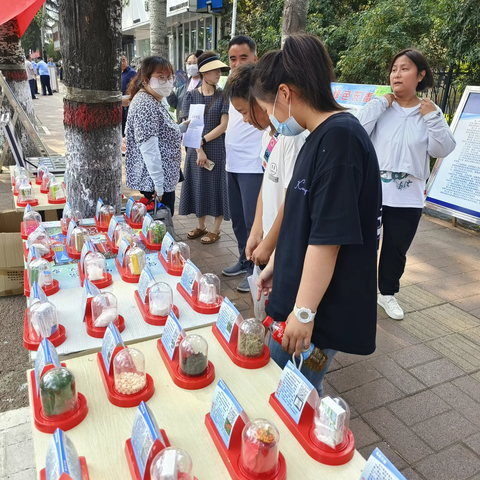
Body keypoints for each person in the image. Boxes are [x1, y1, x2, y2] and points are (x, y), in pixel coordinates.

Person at [253, 34, 382, 395]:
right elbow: (302, 215)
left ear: (284, 93)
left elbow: (329, 239)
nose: (270, 120)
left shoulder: (340, 140)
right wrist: (279, 265)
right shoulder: (317, 136)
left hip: (322, 308)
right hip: (303, 297)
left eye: (267, 109)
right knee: (287, 388)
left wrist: (304, 312)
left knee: (291, 393)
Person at [357, 49, 456, 321]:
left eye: (404, 69)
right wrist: (380, 104)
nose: (396, 74)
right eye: (394, 69)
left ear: (420, 75)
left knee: (396, 249)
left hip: (409, 197)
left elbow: (443, 148)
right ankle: (359, 291)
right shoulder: (381, 107)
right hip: (374, 193)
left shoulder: (429, 112)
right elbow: (357, 131)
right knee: (364, 245)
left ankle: (387, 294)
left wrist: (432, 116)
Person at [224, 63, 307, 266]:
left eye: (245, 112)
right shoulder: (268, 135)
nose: (244, 119)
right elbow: (266, 183)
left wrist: (269, 245)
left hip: (285, 244)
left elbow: (292, 200)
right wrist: (256, 232)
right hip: (269, 238)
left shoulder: (293, 138)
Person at [222, 35, 264, 292]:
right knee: (237, 219)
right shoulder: (232, 87)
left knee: (253, 221)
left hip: (253, 165)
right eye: (232, 59)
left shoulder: (259, 89)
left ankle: (255, 269)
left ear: (255, 59)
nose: (237, 63)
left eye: (243, 58)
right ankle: (243, 258)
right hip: (233, 164)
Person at [179, 51, 230, 244]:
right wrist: (199, 149)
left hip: (216, 147)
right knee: (198, 185)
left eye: (219, 70)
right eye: (214, 70)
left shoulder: (223, 96)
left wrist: (203, 141)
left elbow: (224, 125)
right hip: (194, 148)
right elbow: (187, 124)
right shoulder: (190, 96)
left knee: (217, 186)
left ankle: (216, 230)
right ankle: (201, 226)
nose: (218, 73)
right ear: (203, 73)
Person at [125, 56, 182, 216]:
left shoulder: (154, 98)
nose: (167, 81)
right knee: (160, 223)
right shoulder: (145, 104)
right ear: (146, 80)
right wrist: (158, 184)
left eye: (170, 77)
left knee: (161, 221)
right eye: (161, 77)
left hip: (162, 176)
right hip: (155, 179)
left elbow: (161, 131)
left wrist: (180, 128)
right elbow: (148, 147)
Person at [167, 50, 203, 122]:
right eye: (189, 63)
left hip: (198, 125)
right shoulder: (182, 87)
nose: (191, 66)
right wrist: (169, 92)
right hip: (182, 125)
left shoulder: (205, 85)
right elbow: (174, 105)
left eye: (195, 63)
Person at [121, 55, 137, 136]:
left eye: (124, 60)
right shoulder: (119, 73)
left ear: (127, 61)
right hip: (120, 102)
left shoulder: (132, 73)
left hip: (128, 102)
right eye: (121, 61)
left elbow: (136, 87)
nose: (122, 63)